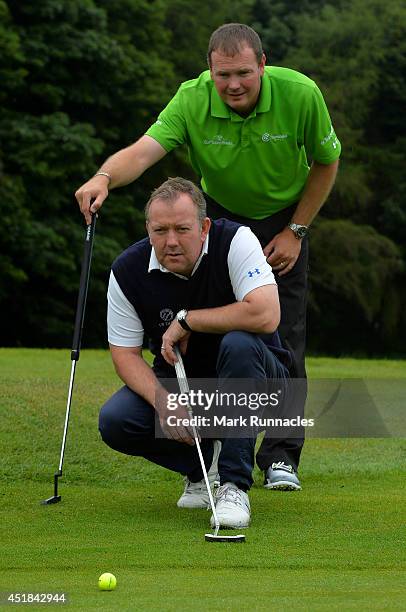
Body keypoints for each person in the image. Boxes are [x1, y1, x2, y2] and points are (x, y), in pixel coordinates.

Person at [76, 23, 341, 491]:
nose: (233, 84)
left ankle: (281, 456)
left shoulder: (301, 93)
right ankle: (210, 450)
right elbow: (142, 153)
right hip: (216, 221)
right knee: (214, 331)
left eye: (243, 73)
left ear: (263, 65)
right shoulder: (191, 99)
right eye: (223, 75)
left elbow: (326, 161)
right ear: (210, 71)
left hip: (285, 217)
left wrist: (296, 230)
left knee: (284, 332)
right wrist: (103, 177)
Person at [98, 177, 290, 530]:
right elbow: (125, 354)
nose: (170, 241)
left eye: (182, 229)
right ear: (148, 229)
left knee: (239, 342)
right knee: (116, 420)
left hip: (263, 382)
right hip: (186, 386)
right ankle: (202, 467)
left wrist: (189, 321)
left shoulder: (235, 241)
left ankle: (234, 486)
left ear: (203, 227)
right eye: (160, 230)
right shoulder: (127, 270)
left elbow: (266, 314)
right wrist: (162, 402)